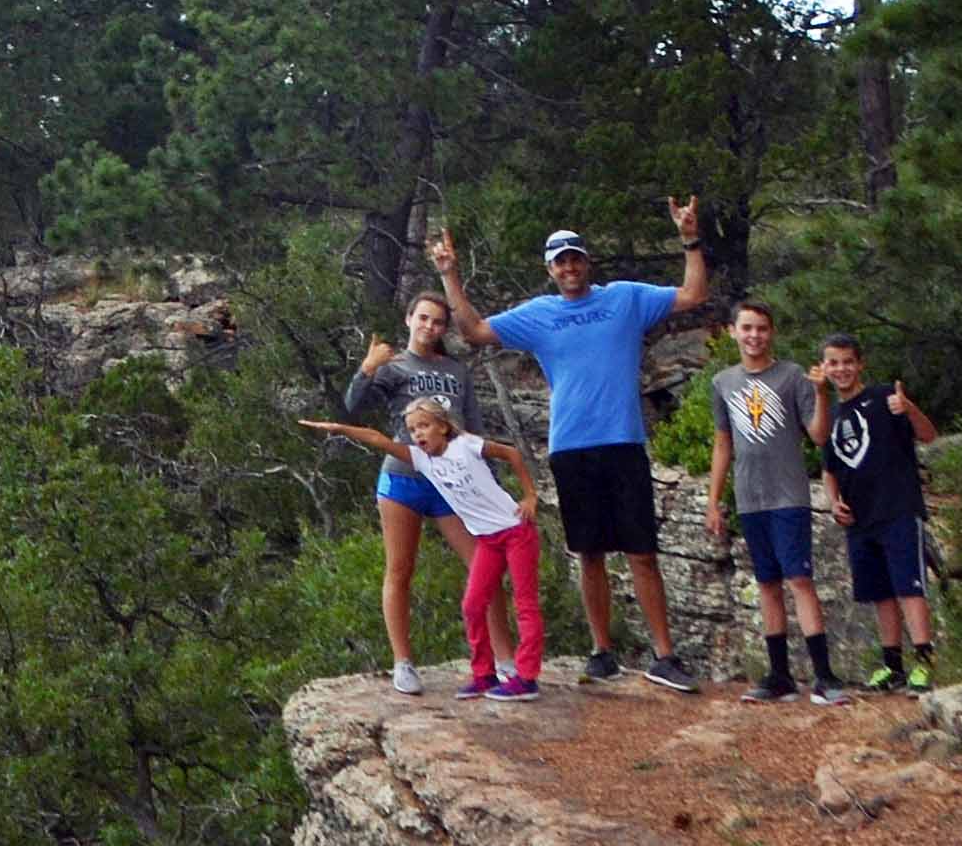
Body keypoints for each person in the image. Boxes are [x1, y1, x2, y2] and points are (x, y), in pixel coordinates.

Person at [435, 200, 714, 691]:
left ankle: (664, 655)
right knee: (589, 553)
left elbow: (693, 294)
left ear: (587, 262)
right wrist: (450, 276)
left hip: (623, 440)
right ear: (550, 269)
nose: (569, 268)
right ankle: (602, 651)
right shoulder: (539, 314)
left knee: (642, 551)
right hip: (571, 446)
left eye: (575, 258)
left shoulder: (625, 299)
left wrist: (689, 238)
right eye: (560, 261)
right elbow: (474, 332)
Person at [300, 397, 546, 699]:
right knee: (472, 605)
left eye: (424, 426)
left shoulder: (466, 445)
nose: (418, 434)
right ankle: (484, 673)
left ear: (443, 426)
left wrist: (530, 495)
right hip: (487, 540)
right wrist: (339, 428)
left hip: (515, 531)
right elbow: (377, 439)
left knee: (525, 604)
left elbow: (510, 453)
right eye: (413, 429)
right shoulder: (421, 460)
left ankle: (527, 677)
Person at [339, 293, 487, 694]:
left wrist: (482, 480)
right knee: (400, 570)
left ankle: (499, 661)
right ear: (409, 320)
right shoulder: (394, 367)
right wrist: (367, 368)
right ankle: (403, 663)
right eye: (423, 319)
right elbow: (353, 405)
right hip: (403, 477)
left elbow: (472, 427)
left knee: (483, 567)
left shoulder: (456, 370)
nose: (429, 327)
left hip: (450, 481)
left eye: (438, 322)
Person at [703, 304, 847, 704]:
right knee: (766, 583)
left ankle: (824, 675)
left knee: (799, 580)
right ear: (732, 331)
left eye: (762, 328)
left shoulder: (792, 376)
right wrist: (714, 501)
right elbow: (723, 443)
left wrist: (819, 392)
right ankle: (779, 674)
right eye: (747, 328)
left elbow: (819, 435)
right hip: (750, 497)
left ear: (772, 332)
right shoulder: (722, 382)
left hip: (789, 494)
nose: (754, 336)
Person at [813, 336, 941, 692]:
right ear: (824, 368)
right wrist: (832, 500)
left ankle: (924, 664)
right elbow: (829, 466)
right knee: (880, 593)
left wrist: (909, 408)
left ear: (860, 364)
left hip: (897, 508)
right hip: (859, 518)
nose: (841, 369)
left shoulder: (886, 399)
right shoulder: (833, 415)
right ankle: (892, 666)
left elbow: (929, 436)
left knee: (909, 588)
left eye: (847, 362)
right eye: (833, 363)